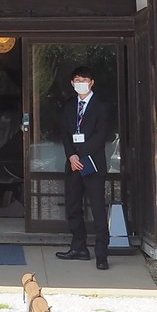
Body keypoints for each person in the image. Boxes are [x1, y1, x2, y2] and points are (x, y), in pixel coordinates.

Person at [55, 66, 112, 268]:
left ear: (91, 82)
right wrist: (71, 155)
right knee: (73, 206)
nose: (80, 82)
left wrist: (81, 154)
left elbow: (101, 134)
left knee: (97, 208)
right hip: (73, 164)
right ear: (72, 83)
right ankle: (78, 247)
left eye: (84, 79)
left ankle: (102, 253)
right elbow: (65, 133)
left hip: (93, 164)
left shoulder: (101, 105)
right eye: (77, 79)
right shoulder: (69, 106)